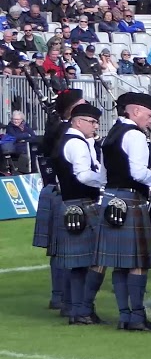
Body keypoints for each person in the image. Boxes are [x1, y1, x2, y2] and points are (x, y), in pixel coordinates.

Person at [93, 92, 151, 332]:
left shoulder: (111, 134)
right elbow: (138, 172)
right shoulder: (134, 135)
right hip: (131, 199)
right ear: (135, 111)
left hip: (111, 198)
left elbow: (102, 177)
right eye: (149, 115)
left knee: (119, 263)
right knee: (137, 262)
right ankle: (137, 317)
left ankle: (125, 316)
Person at [53, 103, 106, 326]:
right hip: (84, 203)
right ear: (78, 122)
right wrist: (106, 181)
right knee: (97, 259)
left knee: (79, 263)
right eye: (92, 122)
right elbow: (83, 175)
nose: (95, 126)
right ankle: (84, 309)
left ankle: (76, 309)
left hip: (71, 204)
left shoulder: (67, 140)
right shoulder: (76, 143)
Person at [34, 89, 85, 315]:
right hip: (63, 191)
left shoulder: (57, 128)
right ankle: (65, 298)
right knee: (66, 248)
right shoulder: (67, 132)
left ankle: (59, 295)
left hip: (52, 190)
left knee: (58, 249)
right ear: (73, 109)